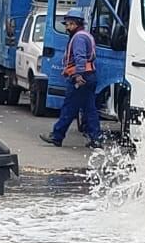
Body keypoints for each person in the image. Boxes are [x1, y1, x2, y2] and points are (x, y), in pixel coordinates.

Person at [41, 8, 102, 148]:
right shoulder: (86, 35)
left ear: (74, 23)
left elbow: (80, 57)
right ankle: (96, 138)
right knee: (89, 108)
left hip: (81, 78)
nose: (67, 27)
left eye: (68, 24)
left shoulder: (79, 38)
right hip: (89, 76)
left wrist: (77, 75)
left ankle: (57, 136)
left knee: (69, 107)